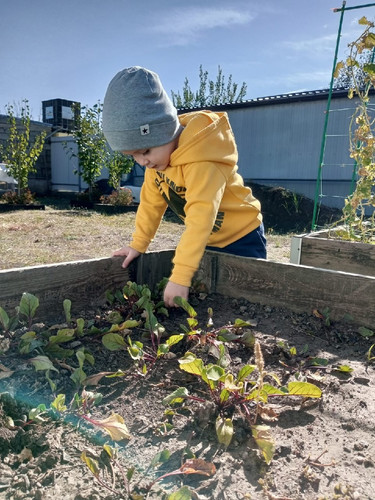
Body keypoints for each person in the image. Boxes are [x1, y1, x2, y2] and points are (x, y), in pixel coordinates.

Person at [102, 66, 266, 307]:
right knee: (213, 299)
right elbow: (150, 205)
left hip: (242, 236)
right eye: (133, 155)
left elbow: (201, 217)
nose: (142, 161)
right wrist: (138, 244)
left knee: (249, 300)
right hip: (208, 239)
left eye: (145, 150)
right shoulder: (156, 165)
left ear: (165, 131)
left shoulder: (203, 160)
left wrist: (180, 277)